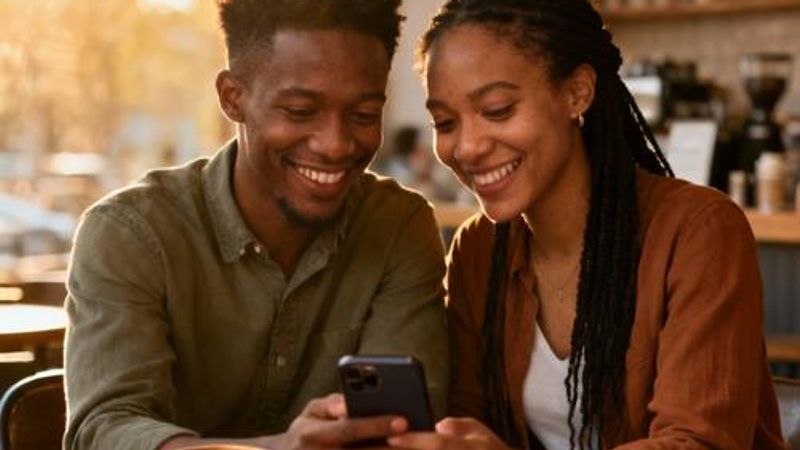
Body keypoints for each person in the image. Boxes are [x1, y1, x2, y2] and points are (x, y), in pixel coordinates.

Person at [386, 0, 786, 449]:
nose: (468, 147)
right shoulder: (479, 248)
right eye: (445, 122)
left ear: (577, 92)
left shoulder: (698, 232)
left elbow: (698, 442)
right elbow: (468, 421)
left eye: (497, 110)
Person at [63, 1, 448, 449]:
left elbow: (398, 431)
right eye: (301, 111)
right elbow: (104, 432)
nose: (336, 144)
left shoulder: (398, 227)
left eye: (363, 116)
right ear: (233, 97)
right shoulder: (129, 235)